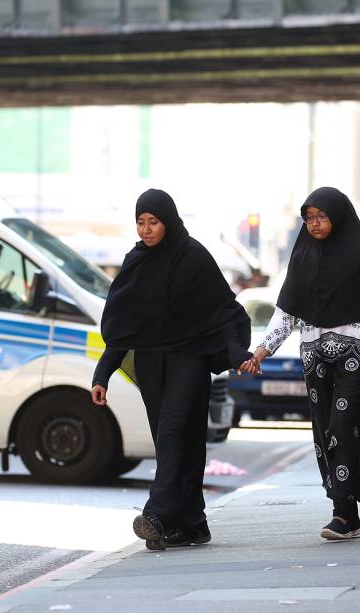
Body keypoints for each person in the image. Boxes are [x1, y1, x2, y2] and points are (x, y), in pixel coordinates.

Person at [91, 188, 252, 551]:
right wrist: (103, 374)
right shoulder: (137, 261)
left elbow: (223, 311)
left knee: (174, 434)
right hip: (151, 363)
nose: (146, 230)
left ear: (170, 222)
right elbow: (124, 326)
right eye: (141, 222)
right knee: (179, 445)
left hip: (190, 360)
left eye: (154, 222)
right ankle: (191, 524)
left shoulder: (193, 257)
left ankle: (157, 515)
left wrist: (237, 352)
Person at [240, 187, 360, 541]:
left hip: (358, 358)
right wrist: (262, 351)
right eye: (309, 218)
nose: (314, 224)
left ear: (338, 216)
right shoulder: (302, 257)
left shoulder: (359, 256)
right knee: (326, 433)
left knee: (344, 427)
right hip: (315, 360)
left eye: (321, 216)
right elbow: (287, 311)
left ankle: (342, 516)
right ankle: (348, 513)